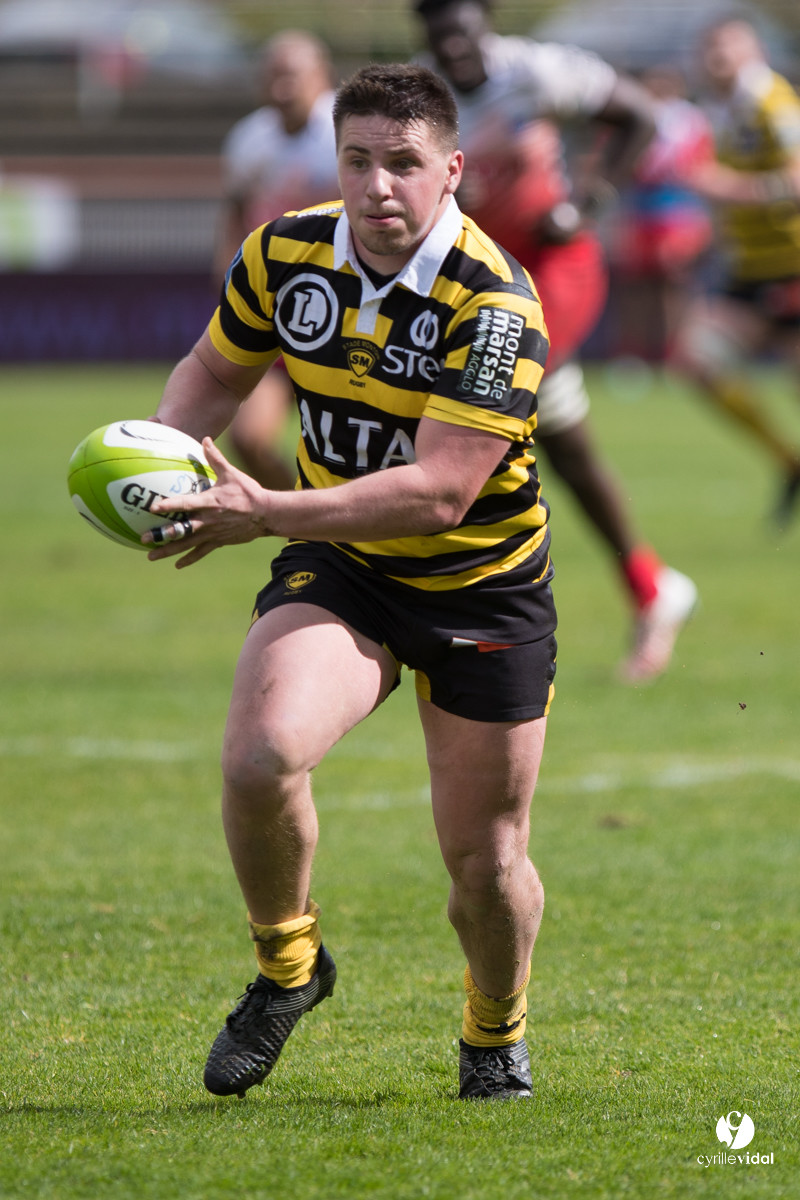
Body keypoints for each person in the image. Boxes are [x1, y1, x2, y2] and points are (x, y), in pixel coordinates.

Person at [143, 63, 557, 1101]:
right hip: (345, 565)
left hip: (480, 586)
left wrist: (267, 511)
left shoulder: (495, 303)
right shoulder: (282, 253)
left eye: (402, 163)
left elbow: (439, 494)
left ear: (451, 170)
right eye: (356, 159)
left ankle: (493, 1031)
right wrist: (156, 460)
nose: (377, 185)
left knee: (485, 868)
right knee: (259, 756)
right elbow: (214, 373)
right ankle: (289, 969)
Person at [414, 0, 698, 683]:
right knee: (561, 445)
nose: (455, 48)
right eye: (440, 35)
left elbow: (639, 116)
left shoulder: (537, 72)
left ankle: (473, 615)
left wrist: (589, 201)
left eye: (463, 32)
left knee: (479, 425)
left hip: (551, 270)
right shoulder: (420, 96)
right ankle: (652, 589)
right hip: (477, 280)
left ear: (486, 23)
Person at [671, 14, 800, 525]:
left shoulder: (772, 101)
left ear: (754, 52)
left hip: (793, 266)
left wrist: (722, 186)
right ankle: (789, 461)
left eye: (727, 47)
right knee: (695, 361)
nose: (716, 58)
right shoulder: (719, 111)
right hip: (749, 270)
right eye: (709, 50)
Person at [214, 30, 339, 490]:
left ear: (322, 77)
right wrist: (227, 278)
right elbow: (234, 212)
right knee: (249, 439)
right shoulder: (249, 139)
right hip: (277, 312)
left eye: (292, 76)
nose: (281, 88)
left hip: (345, 313)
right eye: (272, 77)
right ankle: (296, 517)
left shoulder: (348, 133)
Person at [608, 64, 715, 364]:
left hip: (678, 214)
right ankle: (634, 354)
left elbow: (699, 165)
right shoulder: (633, 114)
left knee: (673, 286)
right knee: (635, 287)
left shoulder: (691, 119)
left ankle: (674, 353)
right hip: (639, 214)